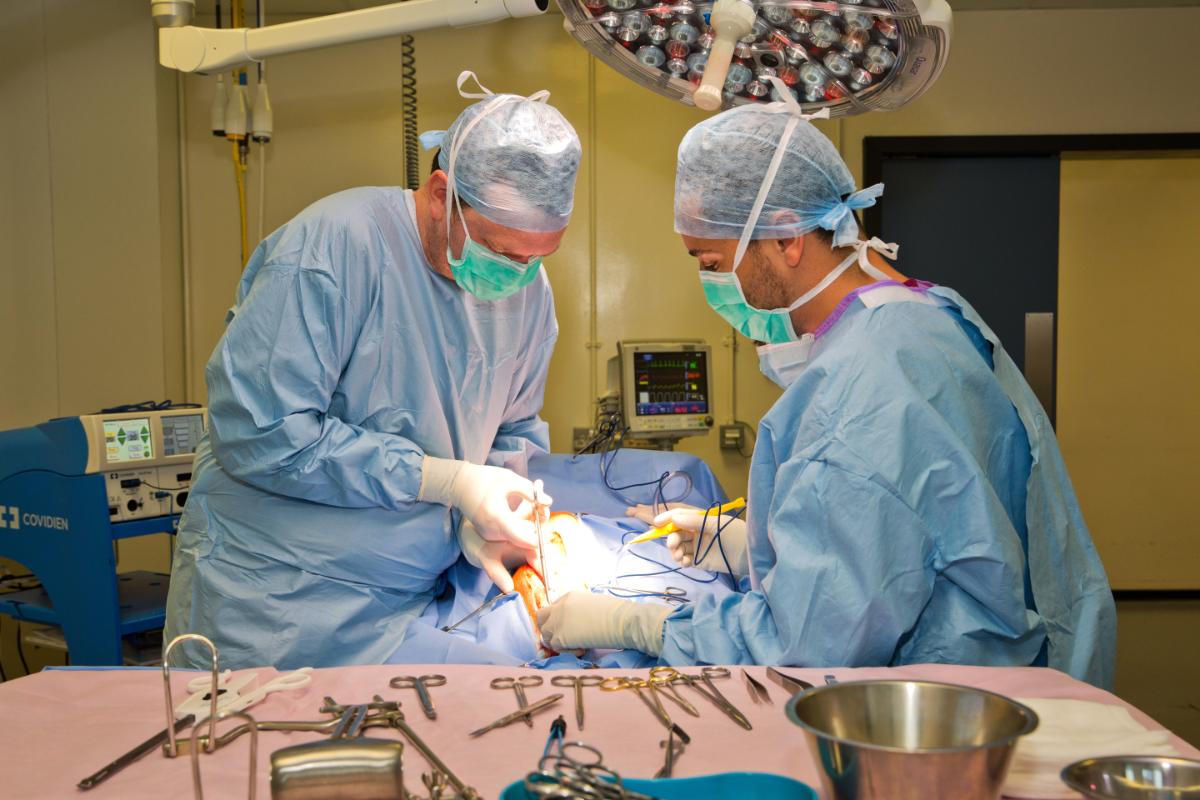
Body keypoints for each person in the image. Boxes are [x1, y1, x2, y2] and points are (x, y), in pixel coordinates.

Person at [538, 82, 1116, 688]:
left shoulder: (855, 394)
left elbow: (805, 643)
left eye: (710, 263)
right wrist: (743, 543)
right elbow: (931, 524)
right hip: (1030, 665)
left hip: (947, 701)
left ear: (787, 238)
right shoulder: (930, 314)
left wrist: (641, 627)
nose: (711, 287)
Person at [164, 72, 581, 669]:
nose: (519, 274)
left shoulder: (529, 293)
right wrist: (445, 481)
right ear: (441, 195)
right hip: (273, 606)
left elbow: (512, 430)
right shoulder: (335, 246)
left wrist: (484, 521)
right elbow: (260, 433)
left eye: (541, 255)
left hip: (410, 605)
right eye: (503, 251)